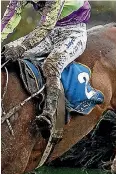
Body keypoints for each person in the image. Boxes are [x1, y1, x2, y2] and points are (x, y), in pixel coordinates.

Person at [1, 0, 91, 135]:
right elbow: (10, 18)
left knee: (51, 66)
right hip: (50, 32)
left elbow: (45, 27)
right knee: (6, 51)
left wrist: (22, 48)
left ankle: (49, 113)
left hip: (73, 33)